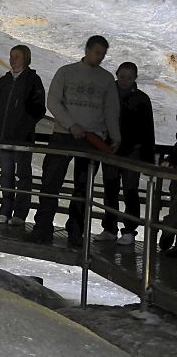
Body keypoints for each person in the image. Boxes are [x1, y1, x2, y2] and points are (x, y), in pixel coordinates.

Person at [24, 35, 121, 246]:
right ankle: (42, 228)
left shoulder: (105, 80)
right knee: (50, 183)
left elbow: (111, 110)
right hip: (63, 136)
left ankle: (76, 233)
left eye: (103, 54)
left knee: (82, 189)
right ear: (87, 50)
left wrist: (115, 137)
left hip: (92, 139)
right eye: (97, 52)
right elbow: (53, 102)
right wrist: (70, 124)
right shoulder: (66, 72)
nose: (100, 57)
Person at [94, 62, 155, 245]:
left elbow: (147, 130)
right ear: (117, 75)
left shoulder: (142, 99)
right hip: (110, 151)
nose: (125, 80)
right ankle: (109, 228)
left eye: (129, 77)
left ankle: (129, 230)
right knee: (110, 190)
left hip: (132, 153)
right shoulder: (106, 95)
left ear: (135, 78)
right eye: (122, 76)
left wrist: (147, 158)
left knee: (130, 191)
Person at [0, 44, 46, 225]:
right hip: (4, 137)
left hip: (22, 138)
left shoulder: (33, 80)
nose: (13, 59)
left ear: (25, 59)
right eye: (11, 56)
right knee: (6, 174)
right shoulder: (5, 80)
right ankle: (5, 210)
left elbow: (38, 109)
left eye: (17, 56)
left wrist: (24, 127)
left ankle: (20, 214)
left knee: (23, 175)